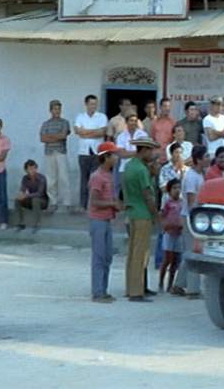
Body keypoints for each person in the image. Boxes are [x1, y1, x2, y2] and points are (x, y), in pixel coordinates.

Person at [121, 138, 160, 302]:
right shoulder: (142, 170)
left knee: (133, 253)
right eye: (150, 151)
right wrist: (156, 215)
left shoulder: (129, 166)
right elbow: (148, 196)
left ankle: (133, 287)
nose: (152, 154)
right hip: (143, 214)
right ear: (144, 150)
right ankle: (137, 292)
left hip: (132, 212)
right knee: (140, 254)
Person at [88, 142, 123, 303]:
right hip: (98, 221)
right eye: (114, 155)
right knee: (99, 257)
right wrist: (112, 204)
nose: (116, 158)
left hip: (106, 220)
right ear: (106, 157)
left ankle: (103, 290)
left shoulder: (108, 175)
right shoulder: (97, 177)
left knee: (107, 257)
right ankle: (98, 292)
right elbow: (94, 202)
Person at [175, 145, 210, 298]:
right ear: (198, 159)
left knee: (190, 252)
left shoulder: (199, 174)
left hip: (195, 217)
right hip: (191, 217)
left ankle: (179, 284)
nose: (209, 159)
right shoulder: (191, 177)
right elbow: (191, 201)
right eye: (206, 156)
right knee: (194, 253)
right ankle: (193, 290)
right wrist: (197, 220)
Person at [74, 95, 108, 210]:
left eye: (95, 104)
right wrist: (93, 131)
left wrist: (86, 132)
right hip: (83, 152)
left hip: (96, 152)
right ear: (86, 104)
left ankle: (93, 204)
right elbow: (77, 131)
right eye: (91, 104)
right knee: (84, 179)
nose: (93, 106)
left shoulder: (102, 117)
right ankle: (83, 204)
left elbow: (102, 132)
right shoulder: (80, 117)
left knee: (95, 180)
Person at [40, 99, 71, 213]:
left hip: (61, 152)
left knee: (64, 177)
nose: (57, 111)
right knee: (51, 178)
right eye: (54, 109)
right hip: (49, 152)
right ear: (50, 110)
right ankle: (53, 201)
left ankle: (67, 202)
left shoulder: (64, 122)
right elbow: (42, 138)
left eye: (58, 109)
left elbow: (63, 135)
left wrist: (50, 137)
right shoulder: (46, 123)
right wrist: (56, 136)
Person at [158, 179, 184, 294]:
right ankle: (161, 282)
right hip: (169, 233)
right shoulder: (168, 203)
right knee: (167, 259)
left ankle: (170, 284)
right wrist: (165, 226)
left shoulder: (182, 203)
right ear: (169, 190)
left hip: (179, 233)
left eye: (179, 188)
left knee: (175, 261)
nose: (177, 190)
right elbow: (162, 216)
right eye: (174, 188)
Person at [115, 112, 149, 197]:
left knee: (139, 192)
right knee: (125, 194)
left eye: (135, 121)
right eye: (131, 121)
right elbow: (121, 154)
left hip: (139, 168)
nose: (133, 123)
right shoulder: (121, 136)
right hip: (124, 168)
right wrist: (137, 153)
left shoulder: (143, 135)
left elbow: (145, 153)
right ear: (126, 122)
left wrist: (128, 153)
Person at [14, 159, 48, 233]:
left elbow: (40, 193)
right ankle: (21, 222)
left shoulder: (41, 178)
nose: (33, 170)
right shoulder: (25, 178)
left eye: (34, 168)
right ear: (26, 170)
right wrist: (20, 194)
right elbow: (22, 189)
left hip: (42, 201)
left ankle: (37, 224)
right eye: (30, 169)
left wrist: (26, 196)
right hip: (31, 200)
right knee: (17, 200)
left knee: (35, 199)